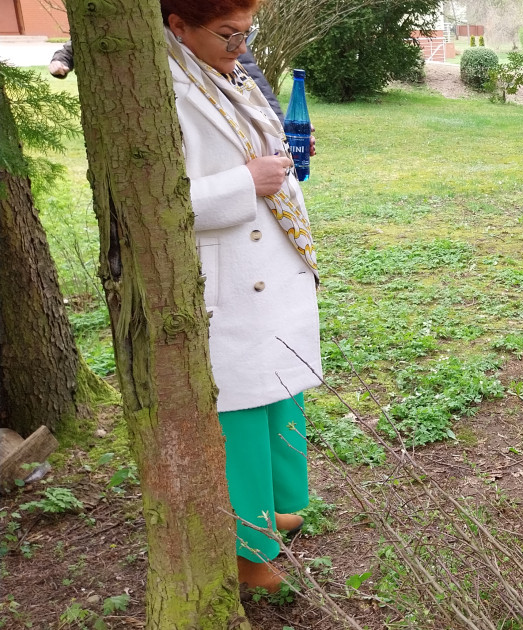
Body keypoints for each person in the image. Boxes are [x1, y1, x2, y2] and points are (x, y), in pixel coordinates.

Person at [162, 0, 322, 592]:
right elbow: (155, 200)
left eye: (246, 33)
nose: (241, 46)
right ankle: (250, 556)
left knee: (283, 396)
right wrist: (245, 182)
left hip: (271, 266)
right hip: (229, 276)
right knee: (244, 421)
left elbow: (260, 141)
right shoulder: (166, 89)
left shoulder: (226, 70)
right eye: (228, 34)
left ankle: (280, 512)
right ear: (178, 25)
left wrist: (281, 163)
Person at [49, 39, 284, 119]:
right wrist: (64, 56)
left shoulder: (221, 26)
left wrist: (282, 126)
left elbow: (252, 78)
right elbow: (98, 33)